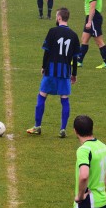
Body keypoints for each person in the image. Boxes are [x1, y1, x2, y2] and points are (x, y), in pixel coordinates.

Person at [27, 7, 80, 138]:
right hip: (64, 72)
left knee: (42, 96)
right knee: (64, 99)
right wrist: (74, 74)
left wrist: (43, 66)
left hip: (51, 70)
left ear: (59, 18)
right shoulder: (74, 35)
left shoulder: (52, 31)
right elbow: (75, 58)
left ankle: (37, 127)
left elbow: (47, 51)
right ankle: (63, 129)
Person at [77, 0, 106, 69]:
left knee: (99, 41)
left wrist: (89, 21)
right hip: (91, 18)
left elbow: (92, 8)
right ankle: (79, 61)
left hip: (93, 18)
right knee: (84, 39)